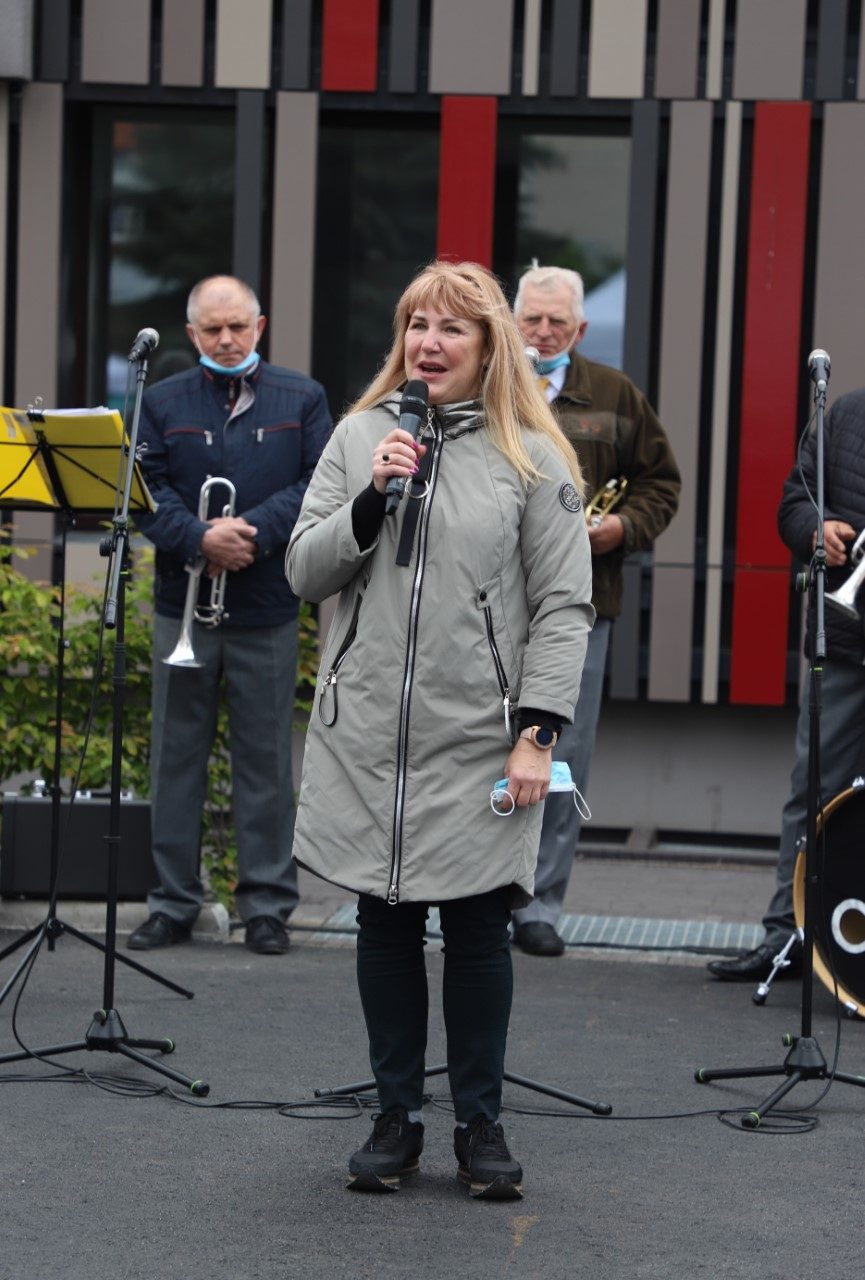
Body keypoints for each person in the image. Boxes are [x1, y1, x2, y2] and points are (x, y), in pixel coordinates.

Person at [286, 261, 594, 1198]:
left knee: (476, 930)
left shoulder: (534, 456)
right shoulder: (357, 435)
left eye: (451, 328)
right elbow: (304, 570)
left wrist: (536, 734)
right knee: (383, 924)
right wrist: (371, 501)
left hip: (482, 738)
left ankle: (480, 1125)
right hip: (371, 732)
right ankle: (394, 1116)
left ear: (489, 344)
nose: (429, 341)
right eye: (417, 324)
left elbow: (563, 608)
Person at [129, 275, 332, 955]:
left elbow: (318, 482)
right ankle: (172, 901)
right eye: (211, 329)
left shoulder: (302, 398)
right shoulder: (159, 401)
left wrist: (250, 531)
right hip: (180, 602)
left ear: (259, 326)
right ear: (191, 335)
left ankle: (267, 906)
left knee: (266, 762)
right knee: (175, 760)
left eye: (237, 327)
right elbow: (143, 486)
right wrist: (197, 538)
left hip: (266, 604)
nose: (225, 339)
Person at [510, 264, 681, 956]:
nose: (544, 331)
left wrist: (619, 529)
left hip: (581, 602)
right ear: (512, 321)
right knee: (480, 746)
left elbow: (659, 484)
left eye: (557, 322)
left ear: (578, 328)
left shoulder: (614, 394)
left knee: (557, 752)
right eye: (532, 319)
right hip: (488, 602)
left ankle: (538, 906)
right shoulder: (486, 382)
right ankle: (479, 896)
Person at [708, 388, 865, 983]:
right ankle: (789, 935)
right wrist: (815, 530)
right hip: (847, 642)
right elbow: (794, 503)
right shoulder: (846, 415)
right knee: (814, 792)